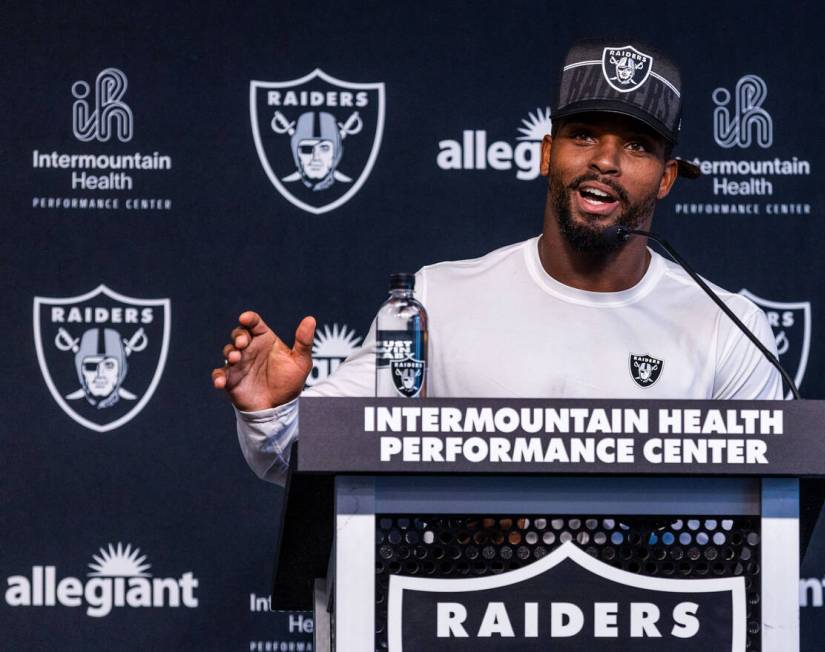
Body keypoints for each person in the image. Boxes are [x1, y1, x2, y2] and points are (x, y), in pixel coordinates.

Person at [211, 39, 782, 486]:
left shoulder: (727, 329)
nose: (606, 160)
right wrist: (274, 411)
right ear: (547, 154)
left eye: (637, 145)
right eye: (583, 134)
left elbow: (757, 521)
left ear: (666, 178)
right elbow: (313, 452)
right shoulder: (433, 302)